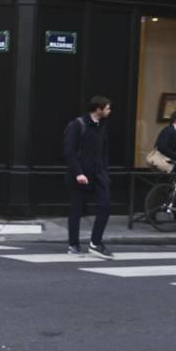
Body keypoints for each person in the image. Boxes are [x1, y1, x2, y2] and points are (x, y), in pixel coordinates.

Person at [64, 95, 113, 258]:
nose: (109, 111)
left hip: (99, 173)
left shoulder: (102, 126)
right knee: (76, 210)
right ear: (98, 109)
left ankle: (95, 243)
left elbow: (104, 151)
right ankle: (73, 244)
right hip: (80, 174)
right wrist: (78, 173)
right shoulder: (78, 124)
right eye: (107, 108)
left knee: (105, 205)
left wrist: (104, 171)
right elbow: (69, 151)